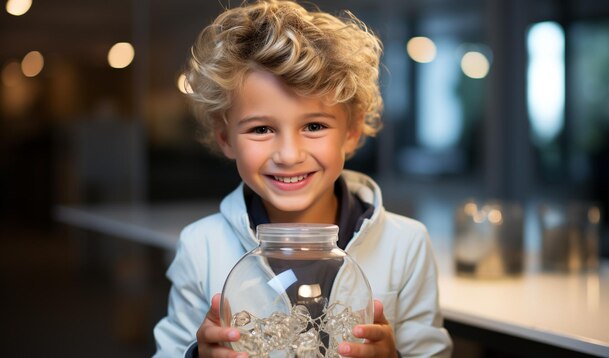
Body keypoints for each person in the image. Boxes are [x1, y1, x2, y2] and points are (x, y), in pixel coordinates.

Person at [153, 0, 452, 357]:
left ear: (353, 131)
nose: (289, 155)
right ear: (225, 139)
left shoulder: (406, 245)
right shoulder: (200, 247)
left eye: (314, 126)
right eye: (262, 129)